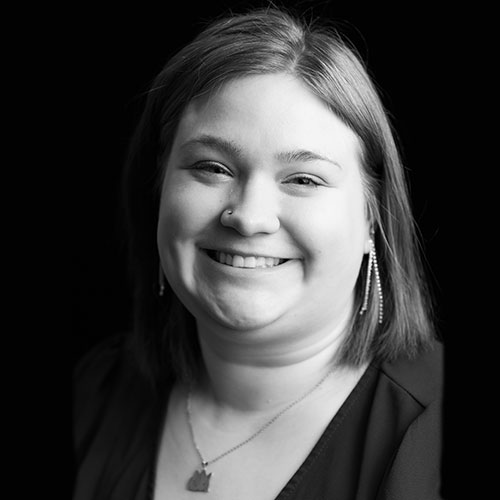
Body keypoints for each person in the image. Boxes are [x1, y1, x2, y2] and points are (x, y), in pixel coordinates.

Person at [73, 6, 444, 500]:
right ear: (158, 188)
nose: (248, 217)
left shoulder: (436, 432)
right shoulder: (92, 393)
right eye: (212, 167)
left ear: (372, 219)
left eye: (303, 179)